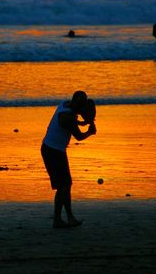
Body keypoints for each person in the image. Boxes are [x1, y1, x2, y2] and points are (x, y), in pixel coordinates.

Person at [41, 91, 97, 228]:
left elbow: (72, 119)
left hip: (53, 149)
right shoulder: (68, 117)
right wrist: (90, 132)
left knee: (63, 186)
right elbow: (78, 136)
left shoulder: (65, 104)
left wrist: (82, 122)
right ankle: (66, 218)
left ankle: (59, 219)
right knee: (65, 186)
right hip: (53, 152)